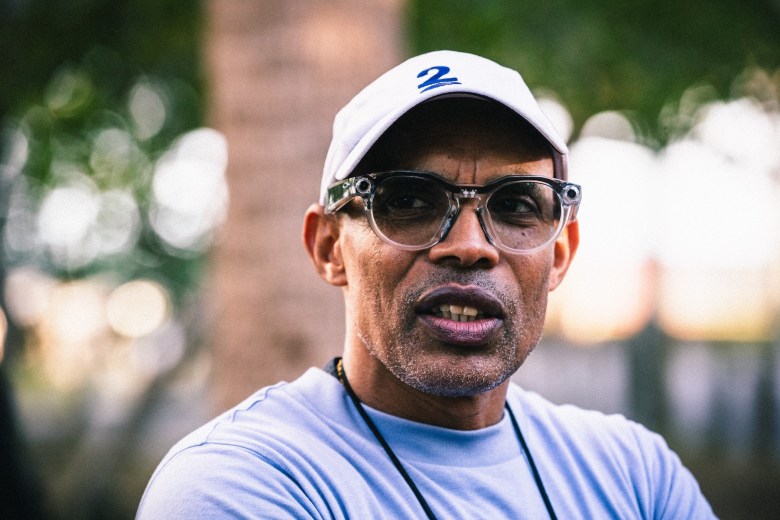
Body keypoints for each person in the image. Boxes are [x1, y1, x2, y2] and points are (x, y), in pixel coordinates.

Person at [137, 50, 715, 519]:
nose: (469, 246)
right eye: (409, 200)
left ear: (559, 254)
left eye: (515, 205)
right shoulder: (241, 484)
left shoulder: (634, 478)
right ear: (329, 247)